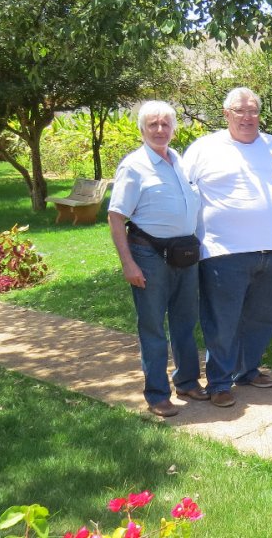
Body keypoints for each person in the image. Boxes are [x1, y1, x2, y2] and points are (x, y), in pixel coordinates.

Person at [182, 87, 272, 408]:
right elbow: (179, 191)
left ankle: (246, 369)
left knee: (264, 316)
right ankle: (220, 382)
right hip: (223, 251)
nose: (248, 117)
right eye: (240, 111)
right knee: (223, 320)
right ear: (226, 115)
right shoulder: (205, 148)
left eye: (253, 111)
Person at [108, 100, 206, 417]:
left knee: (185, 322)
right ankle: (157, 394)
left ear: (174, 129)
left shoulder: (181, 162)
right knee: (152, 328)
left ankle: (188, 381)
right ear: (142, 129)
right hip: (148, 255)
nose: (160, 129)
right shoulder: (134, 167)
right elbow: (115, 217)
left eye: (165, 124)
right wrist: (128, 264)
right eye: (153, 124)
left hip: (185, 254)